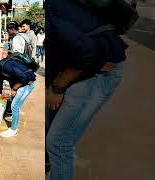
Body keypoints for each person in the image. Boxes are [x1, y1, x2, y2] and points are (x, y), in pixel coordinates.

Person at [46, 0, 128, 179]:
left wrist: (57, 88)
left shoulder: (54, 8)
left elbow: (86, 54)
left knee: (59, 143)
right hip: (86, 67)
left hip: (95, 71)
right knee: (58, 137)